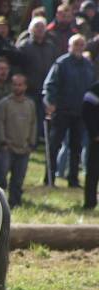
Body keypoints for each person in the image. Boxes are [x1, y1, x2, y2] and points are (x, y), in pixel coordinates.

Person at [43, 34, 95, 186]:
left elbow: (91, 88)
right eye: (76, 44)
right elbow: (50, 85)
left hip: (80, 112)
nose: (78, 47)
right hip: (62, 110)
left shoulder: (88, 65)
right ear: (69, 46)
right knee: (55, 145)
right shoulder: (61, 63)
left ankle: (73, 179)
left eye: (81, 44)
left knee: (76, 147)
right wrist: (50, 102)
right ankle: (50, 177)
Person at [0, 74, 37, 208]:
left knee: (18, 179)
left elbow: (33, 124)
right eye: (15, 84)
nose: (17, 87)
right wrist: (3, 142)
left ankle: (15, 202)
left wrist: (31, 143)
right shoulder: (5, 103)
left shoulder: (30, 104)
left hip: (24, 148)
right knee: (1, 178)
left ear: (25, 86)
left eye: (20, 84)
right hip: (7, 147)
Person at [18, 17, 58, 143]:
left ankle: (37, 142)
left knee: (42, 118)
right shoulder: (24, 46)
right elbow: (18, 67)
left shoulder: (51, 47)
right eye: (37, 27)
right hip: (29, 88)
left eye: (42, 27)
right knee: (28, 117)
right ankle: (26, 141)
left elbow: (56, 66)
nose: (40, 29)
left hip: (45, 90)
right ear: (31, 29)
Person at [83, 77, 99, 209]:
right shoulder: (95, 89)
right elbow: (87, 111)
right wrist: (95, 134)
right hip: (97, 141)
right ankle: (90, 203)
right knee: (93, 172)